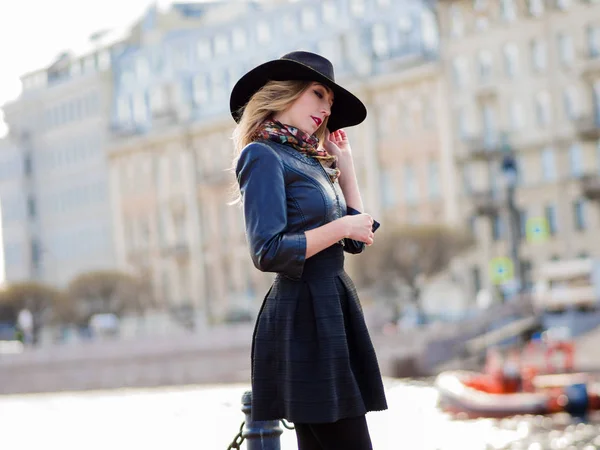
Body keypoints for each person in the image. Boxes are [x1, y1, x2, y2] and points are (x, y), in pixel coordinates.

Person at [230, 51, 388, 449]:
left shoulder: (312, 161)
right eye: (318, 94)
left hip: (331, 307)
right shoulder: (261, 154)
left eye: (330, 103)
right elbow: (267, 251)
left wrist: (346, 169)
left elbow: (356, 239)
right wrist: (339, 226)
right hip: (303, 315)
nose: (325, 109)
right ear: (286, 92)